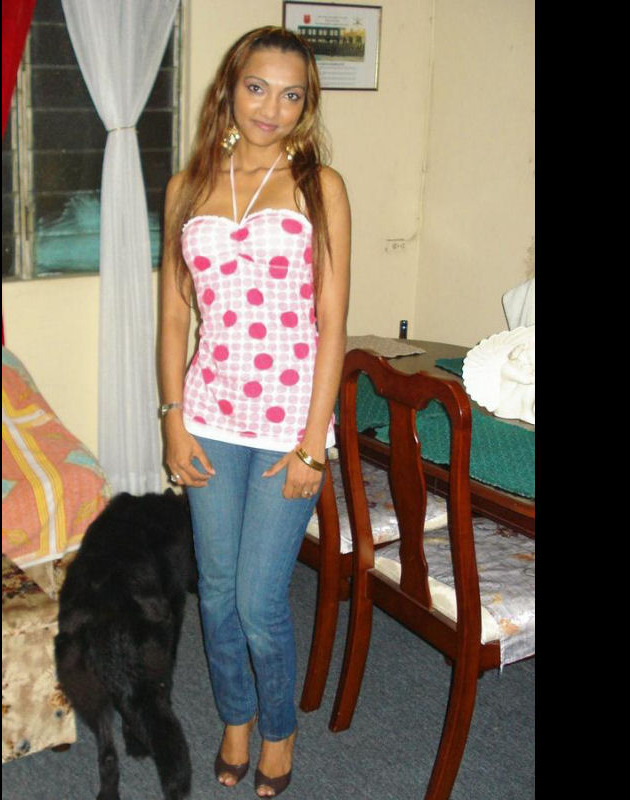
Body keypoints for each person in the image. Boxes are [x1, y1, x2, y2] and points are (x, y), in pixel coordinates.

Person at [158, 25, 351, 798]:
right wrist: (172, 418)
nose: (272, 107)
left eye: (291, 94)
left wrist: (313, 445)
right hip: (208, 414)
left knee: (259, 601)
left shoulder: (318, 186)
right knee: (215, 587)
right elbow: (175, 318)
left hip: (286, 426)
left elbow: (332, 323)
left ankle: (277, 727)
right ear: (230, 90)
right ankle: (234, 718)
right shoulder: (185, 187)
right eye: (258, 87)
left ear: (307, 106)